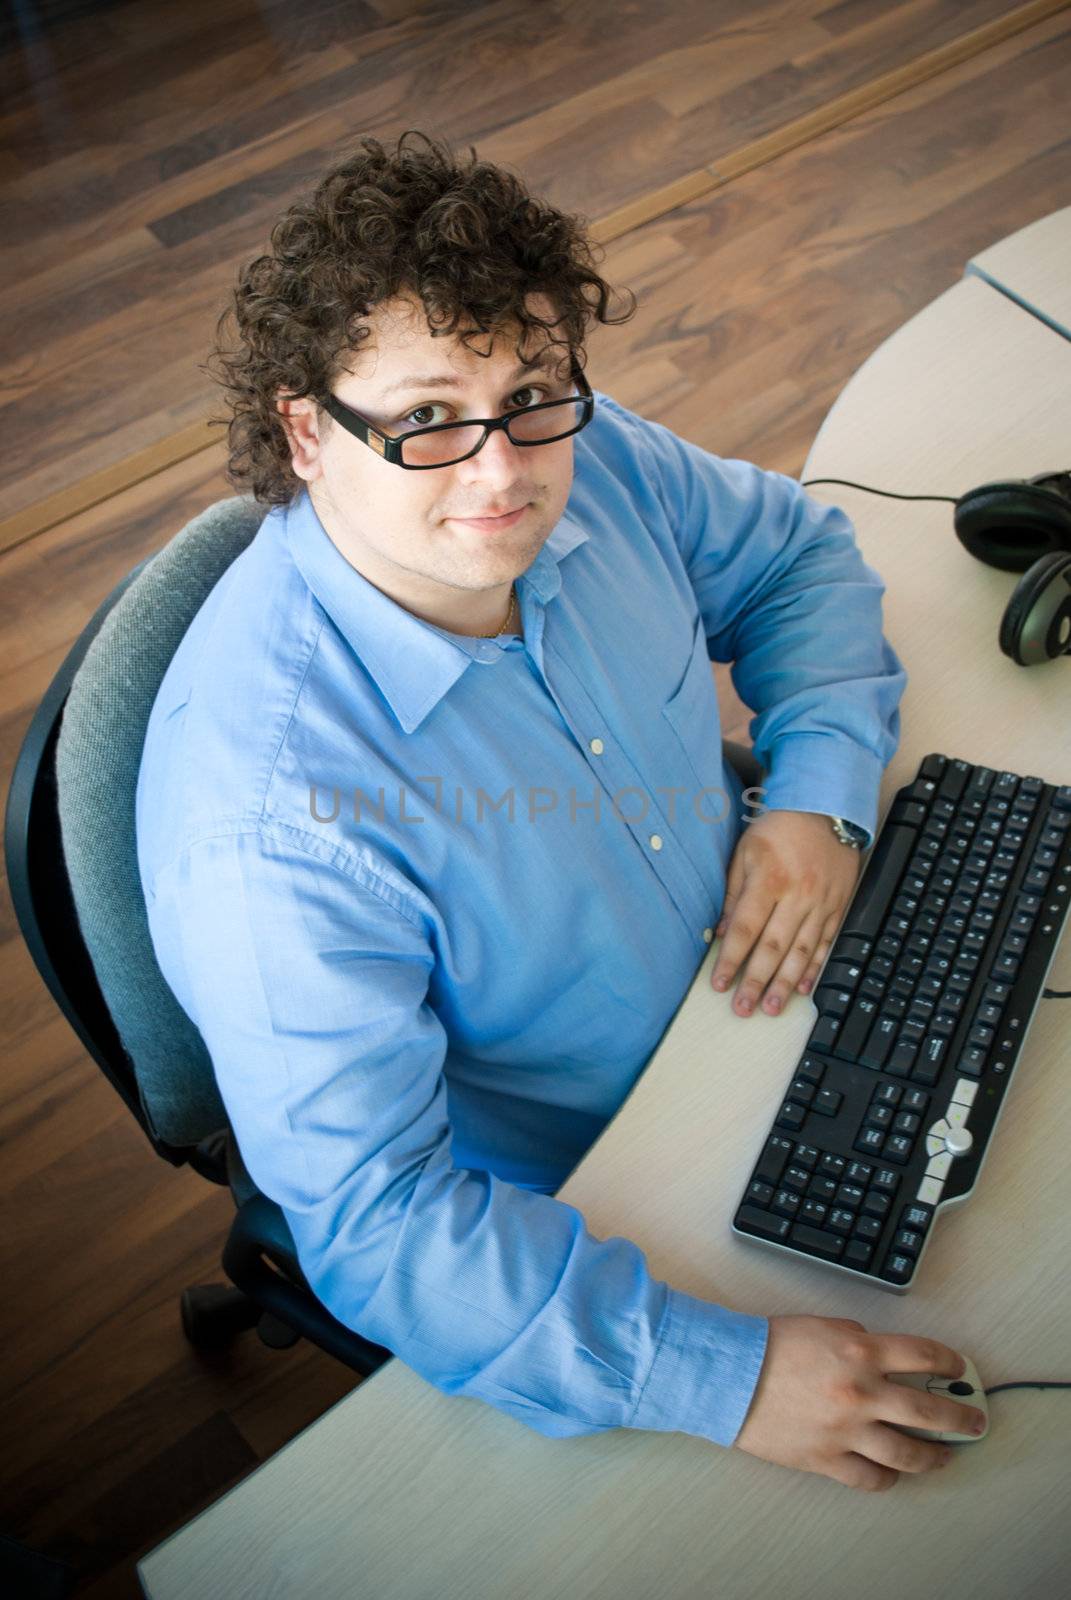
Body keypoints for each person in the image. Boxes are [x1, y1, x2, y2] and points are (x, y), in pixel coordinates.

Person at [136, 129, 981, 1495]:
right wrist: (730, 1379)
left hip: (787, 974)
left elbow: (796, 564)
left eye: (531, 391)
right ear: (307, 431)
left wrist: (819, 800)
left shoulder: (571, 448)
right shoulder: (270, 827)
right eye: (424, 422)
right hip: (611, 1180)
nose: (502, 474)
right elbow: (381, 1222)